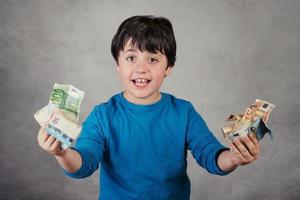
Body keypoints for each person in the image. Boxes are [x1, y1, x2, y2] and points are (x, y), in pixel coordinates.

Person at [37, 15, 260, 200]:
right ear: (117, 64)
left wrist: (234, 157)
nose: (141, 68)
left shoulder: (183, 112)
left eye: (152, 59)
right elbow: (84, 164)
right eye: (131, 57)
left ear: (169, 67)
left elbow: (211, 156)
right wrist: (60, 152)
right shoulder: (103, 115)